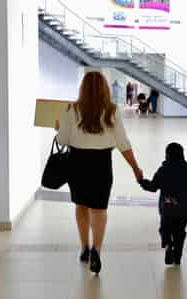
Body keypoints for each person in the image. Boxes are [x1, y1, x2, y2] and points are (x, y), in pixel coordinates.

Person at [56, 72, 143, 274]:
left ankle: (84, 248)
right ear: (105, 88)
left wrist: (59, 127)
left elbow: (62, 140)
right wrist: (135, 168)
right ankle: (97, 249)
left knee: (81, 206)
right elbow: (123, 143)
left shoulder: (72, 109)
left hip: (76, 163)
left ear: (82, 89)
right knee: (99, 209)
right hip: (102, 164)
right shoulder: (112, 110)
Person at [139, 143, 187, 265]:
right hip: (183, 209)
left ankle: (167, 245)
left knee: (165, 229)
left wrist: (141, 181)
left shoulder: (163, 170)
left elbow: (152, 187)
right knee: (180, 232)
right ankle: (177, 257)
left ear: (167, 155)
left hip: (167, 208)